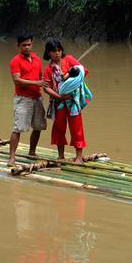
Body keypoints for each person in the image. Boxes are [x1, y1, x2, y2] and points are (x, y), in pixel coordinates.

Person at [41, 39, 89, 163]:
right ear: (48, 53)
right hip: (58, 102)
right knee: (59, 128)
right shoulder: (48, 69)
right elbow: (46, 87)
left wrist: (68, 74)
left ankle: (78, 157)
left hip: (73, 101)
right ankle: (61, 155)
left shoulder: (69, 59)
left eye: (59, 50)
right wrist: (59, 96)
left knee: (76, 128)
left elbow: (82, 71)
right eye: (54, 51)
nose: (57, 53)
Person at [8, 34, 47, 166]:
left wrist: (47, 84)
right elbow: (17, 80)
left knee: (38, 126)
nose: (27, 47)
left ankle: (32, 152)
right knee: (18, 128)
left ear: (32, 44)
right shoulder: (15, 61)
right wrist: (36, 83)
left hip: (37, 97)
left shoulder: (36, 59)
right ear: (19, 46)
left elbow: (42, 77)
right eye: (24, 45)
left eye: (29, 44)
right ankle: (12, 158)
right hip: (23, 99)